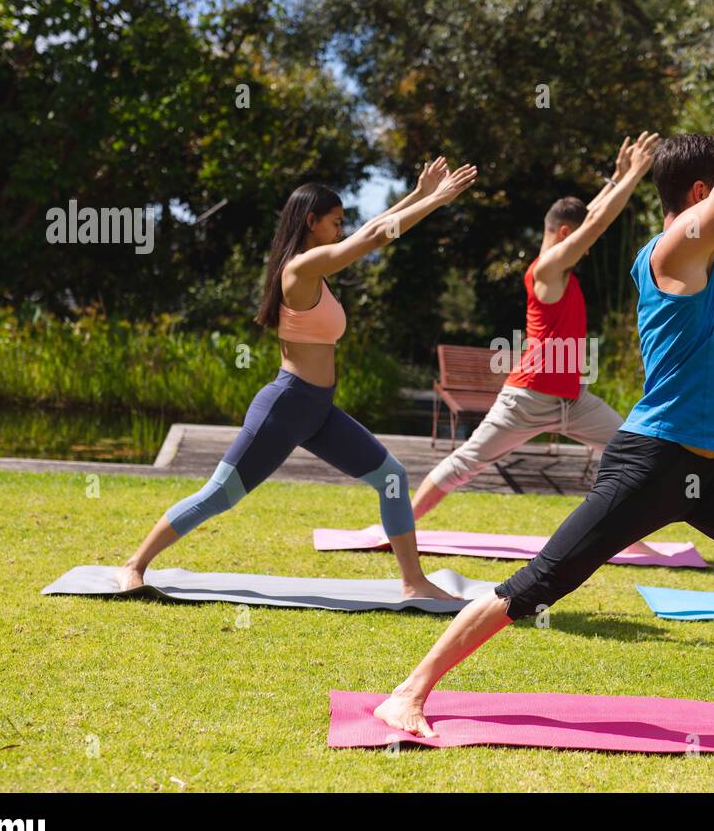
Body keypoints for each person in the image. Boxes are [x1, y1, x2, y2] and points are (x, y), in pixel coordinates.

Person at [373, 0, 714, 743]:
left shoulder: (694, 238)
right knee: (537, 585)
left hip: (699, 474)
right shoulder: (678, 251)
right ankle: (408, 691)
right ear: (699, 195)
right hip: (648, 465)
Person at [118, 159, 478, 600]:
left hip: (319, 410)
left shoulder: (316, 269)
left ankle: (412, 582)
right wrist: (437, 202)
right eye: (334, 222)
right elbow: (374, 236)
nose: (341, 230)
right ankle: (134, 565)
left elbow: (374, 226)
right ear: (311, 222)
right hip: (285, 408)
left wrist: (420, 195)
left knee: (391, 477)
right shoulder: (299, 270)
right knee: (220, 495)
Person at [409, 132, 662, 557]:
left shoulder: (560, 262)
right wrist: (636, 175)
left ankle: (631, 543)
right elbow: (595, 224)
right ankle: (397, 527)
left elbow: (592, 218)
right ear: (565, 233)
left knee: (631, 453)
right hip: (526, 399)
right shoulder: (547, 268)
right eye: (578, 239)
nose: (587, 247)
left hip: (573, 400)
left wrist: (617, 180)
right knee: (466, 463)